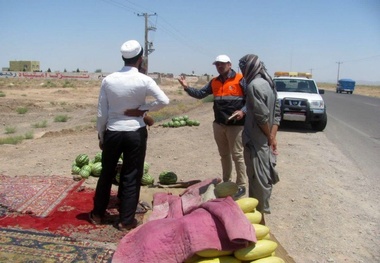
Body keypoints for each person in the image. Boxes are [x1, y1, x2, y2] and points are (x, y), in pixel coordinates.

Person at [90, 40, 170, 230]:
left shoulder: (108, 80)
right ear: (140, 59)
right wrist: (142, 110)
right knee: (131, 175)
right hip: (135, 132)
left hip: (113, 132)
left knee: (106, 174)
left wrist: (102, 135)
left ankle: (97, 215)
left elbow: (102, 113)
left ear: (123, 57)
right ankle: (126, 220)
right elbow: (163, 100)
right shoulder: (144, 80)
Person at [178, 55, 247, 198]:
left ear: (229, 64)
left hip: (236, 126)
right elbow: (201, 94)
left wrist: (243, 111)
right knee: (224, 155)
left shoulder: (240, 79)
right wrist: (186, 87)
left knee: (237, 155)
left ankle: (241, 185)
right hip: (219, 124)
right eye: (217, 64)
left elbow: (251, 100)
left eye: (222, 64)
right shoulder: (214, 82)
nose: (219, 66)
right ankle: (227, 182)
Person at [238, 54, 281, 225]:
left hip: (256, 142)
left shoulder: (253, 86)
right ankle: (259, 219)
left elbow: (262, 116)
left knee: (257, 181)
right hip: (264, 141)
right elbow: (277, 112)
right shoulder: (269, 83)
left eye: (243, 68)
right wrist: (273, 136)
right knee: (264, 179)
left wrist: (270, 137)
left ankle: (259, 222)